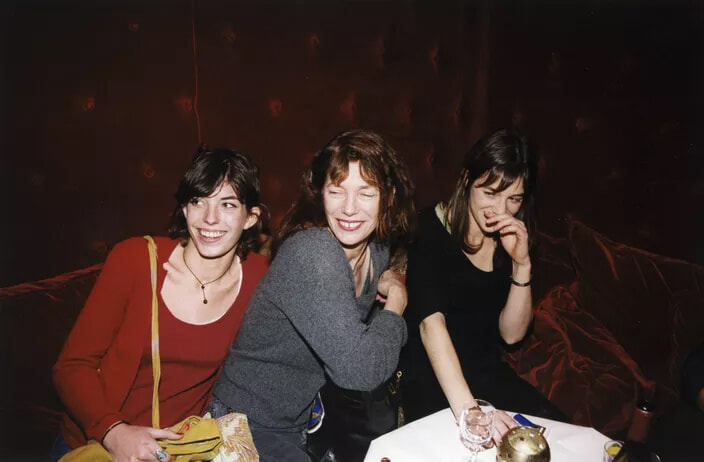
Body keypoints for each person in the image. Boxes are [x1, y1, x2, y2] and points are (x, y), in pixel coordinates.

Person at [209, 129, 416, 462]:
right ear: (321, 194)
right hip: (245, 423)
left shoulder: (376, 250)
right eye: (336, 191)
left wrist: (390, 276)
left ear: (388, 196)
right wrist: (397, 301)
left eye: (365, 193)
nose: (349, 209)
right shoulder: (314, 253)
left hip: (304, 421)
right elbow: (360, 370)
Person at [51, 147, 268, 462]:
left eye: (228, 204)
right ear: (184, 209)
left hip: (179, 449)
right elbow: (71, 366)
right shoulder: (134, 260)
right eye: (198, 201)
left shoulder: (259, 277)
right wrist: (114, 431)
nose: (210, 218)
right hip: (98, 443)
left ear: (251, 218)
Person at [401, 128, 566, 442]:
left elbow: (511, 334)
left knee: (556, 439)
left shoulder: (511, 235)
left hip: (487, 376)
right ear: (466, 181)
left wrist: (522, 264)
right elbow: (430, 326)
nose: (501, 211)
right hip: (435, 378)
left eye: (514, 199)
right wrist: (470, 412)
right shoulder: (429, 230)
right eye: (490, 193)